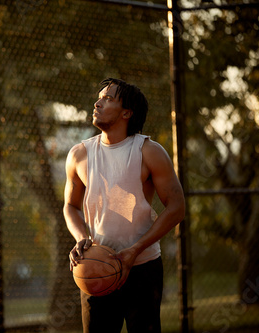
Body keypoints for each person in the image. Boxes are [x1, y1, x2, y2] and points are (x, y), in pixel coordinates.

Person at [63, 78, 186, 333]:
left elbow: (176, 207)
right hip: (96, 267)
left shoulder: (149, 151)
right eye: (99, 97)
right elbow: (70, 206)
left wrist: (135, 249)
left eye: (107, 98)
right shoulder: (79, 154)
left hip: (142, 267)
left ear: (126, 113)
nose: (97, 102)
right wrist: (80, 238)